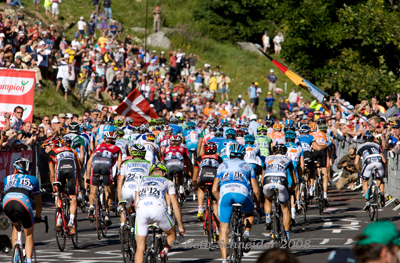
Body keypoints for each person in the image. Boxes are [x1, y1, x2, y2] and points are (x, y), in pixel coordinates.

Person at [212, 143, 261, 263]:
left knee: (224, 228)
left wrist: (221, 201)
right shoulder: (248, 166)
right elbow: (256, 190)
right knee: (249, 213)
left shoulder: (222, 165)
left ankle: (224, 260)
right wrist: (258, 207)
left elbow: (214, 189)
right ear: (243, 154)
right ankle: (246, 233)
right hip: (242, 193)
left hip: (225, 194)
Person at [134, 162, 186, 263]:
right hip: (158, 208)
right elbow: (175, 205)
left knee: (140, 247)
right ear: (164, 173)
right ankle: (164, 251)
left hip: (142, 208)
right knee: (172, 234)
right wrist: (180, 226)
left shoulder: (141, 180)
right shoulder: (167, 181)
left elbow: (136, 204)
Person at [2, 158, 42, 263]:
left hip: (7, 201)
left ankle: (15, 255)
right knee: (29, 234)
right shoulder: (33, 179)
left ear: (16, 169)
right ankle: (28, 260)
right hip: (23, 201)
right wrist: (37, 217)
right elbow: (38, 203)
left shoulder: (8, 178)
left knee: (15, 225)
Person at [86, 131, 122, 226]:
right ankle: (106, 214)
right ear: (114, 140)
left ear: (105, 139)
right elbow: (119, 163)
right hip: (107, 166)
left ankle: (91, 207)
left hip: (95, 164)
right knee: (108, 191)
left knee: (93, 189)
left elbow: (89, 162)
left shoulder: (98, 147)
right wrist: (115, 176)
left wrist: (88, 176)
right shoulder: (117, 148)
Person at [263, 144, 296, 242]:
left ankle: (268, 217)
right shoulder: (288, 159)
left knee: (267, 199)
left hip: (267, 180)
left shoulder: (267, 158)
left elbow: (262, 178)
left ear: (273, 152)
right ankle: (287, 235)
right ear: (285, 152)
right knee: (285, 208)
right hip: (281, 180)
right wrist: (291, 191)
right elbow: (295, 180)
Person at [117, 144, 152, 229]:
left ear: (132, 154)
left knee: (125, 208)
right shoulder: (149, 163)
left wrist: (119, 202)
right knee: (140, 211)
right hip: (140, 189)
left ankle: (123, 225)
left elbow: (120, 182)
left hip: (127, 188)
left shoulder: (126, 163)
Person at [354, 131, 386, 211]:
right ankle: (381, 193)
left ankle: (367, 201)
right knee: (380, 179)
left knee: (365, 181)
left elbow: (356, 162)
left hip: (368, 161)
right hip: (378, 159)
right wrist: (383, 171)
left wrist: (360, 172)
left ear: (364, 140)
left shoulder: (360, 146)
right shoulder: (377, 145)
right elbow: (384, 161)